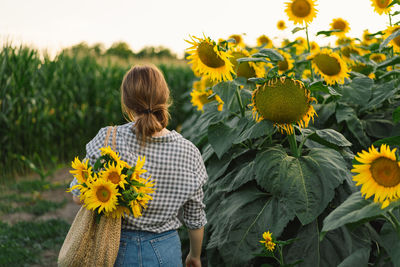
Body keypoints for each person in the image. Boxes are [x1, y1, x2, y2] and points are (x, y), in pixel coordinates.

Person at [70, 64, 207, 267]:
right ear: (165, 99)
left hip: (115, 249)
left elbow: (77, 196)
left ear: (126, 103)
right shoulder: (189, 152)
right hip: (166, 250)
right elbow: (195, 217)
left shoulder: (108, 139)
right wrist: (194, 256)